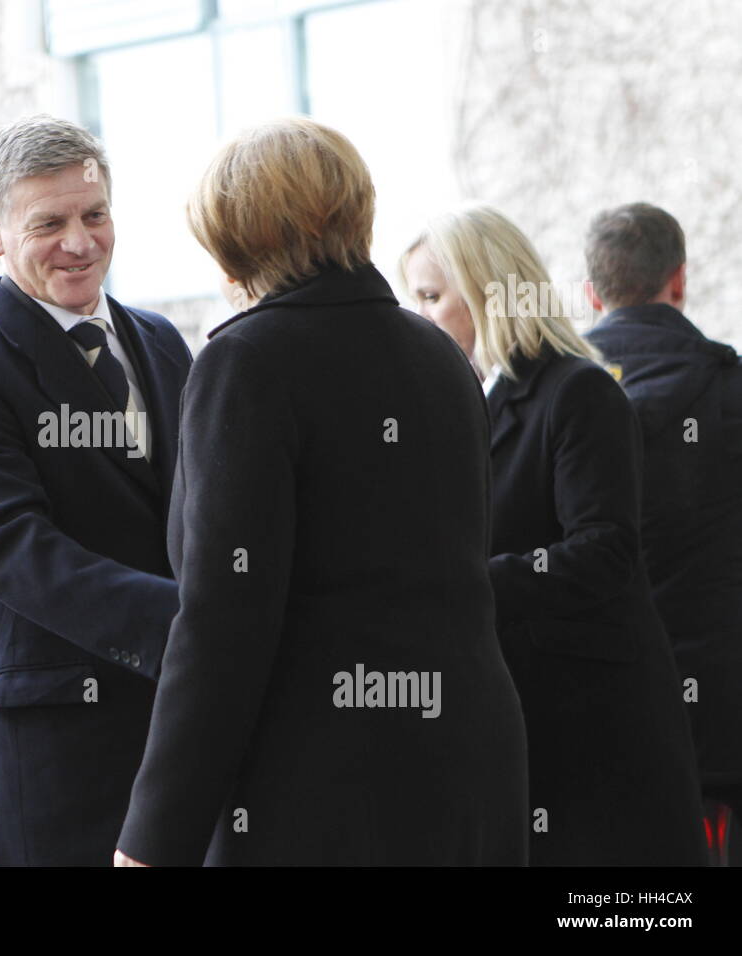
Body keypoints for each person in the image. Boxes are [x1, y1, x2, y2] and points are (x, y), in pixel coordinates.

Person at [114, 118, 528, 867]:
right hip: (469, 759)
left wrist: (151, 839)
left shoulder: (246, 361)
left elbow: (222, 620)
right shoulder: (438, 353)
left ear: (236, 233)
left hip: (323, 786)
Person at [0, 115, 192, 866]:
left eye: (95, 215)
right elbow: (14, 551)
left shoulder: (161, 341)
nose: (80, 242)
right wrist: (198, 627)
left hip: (190, 741)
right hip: (62, 763)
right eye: (49, 223)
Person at [401, 203, 706, 865]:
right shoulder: (462, 403)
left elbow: (604, 549)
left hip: (597, 725)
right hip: (521, 719)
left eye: (429, 296)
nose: (417, 318)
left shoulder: (578, 390)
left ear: (488, 291)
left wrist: (462, 586)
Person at [583, 202, 742, 838]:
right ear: (679, 279)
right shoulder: (727, 390)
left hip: (597, 703)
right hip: (721, 710)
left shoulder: (546, 398)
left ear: (592, 294)